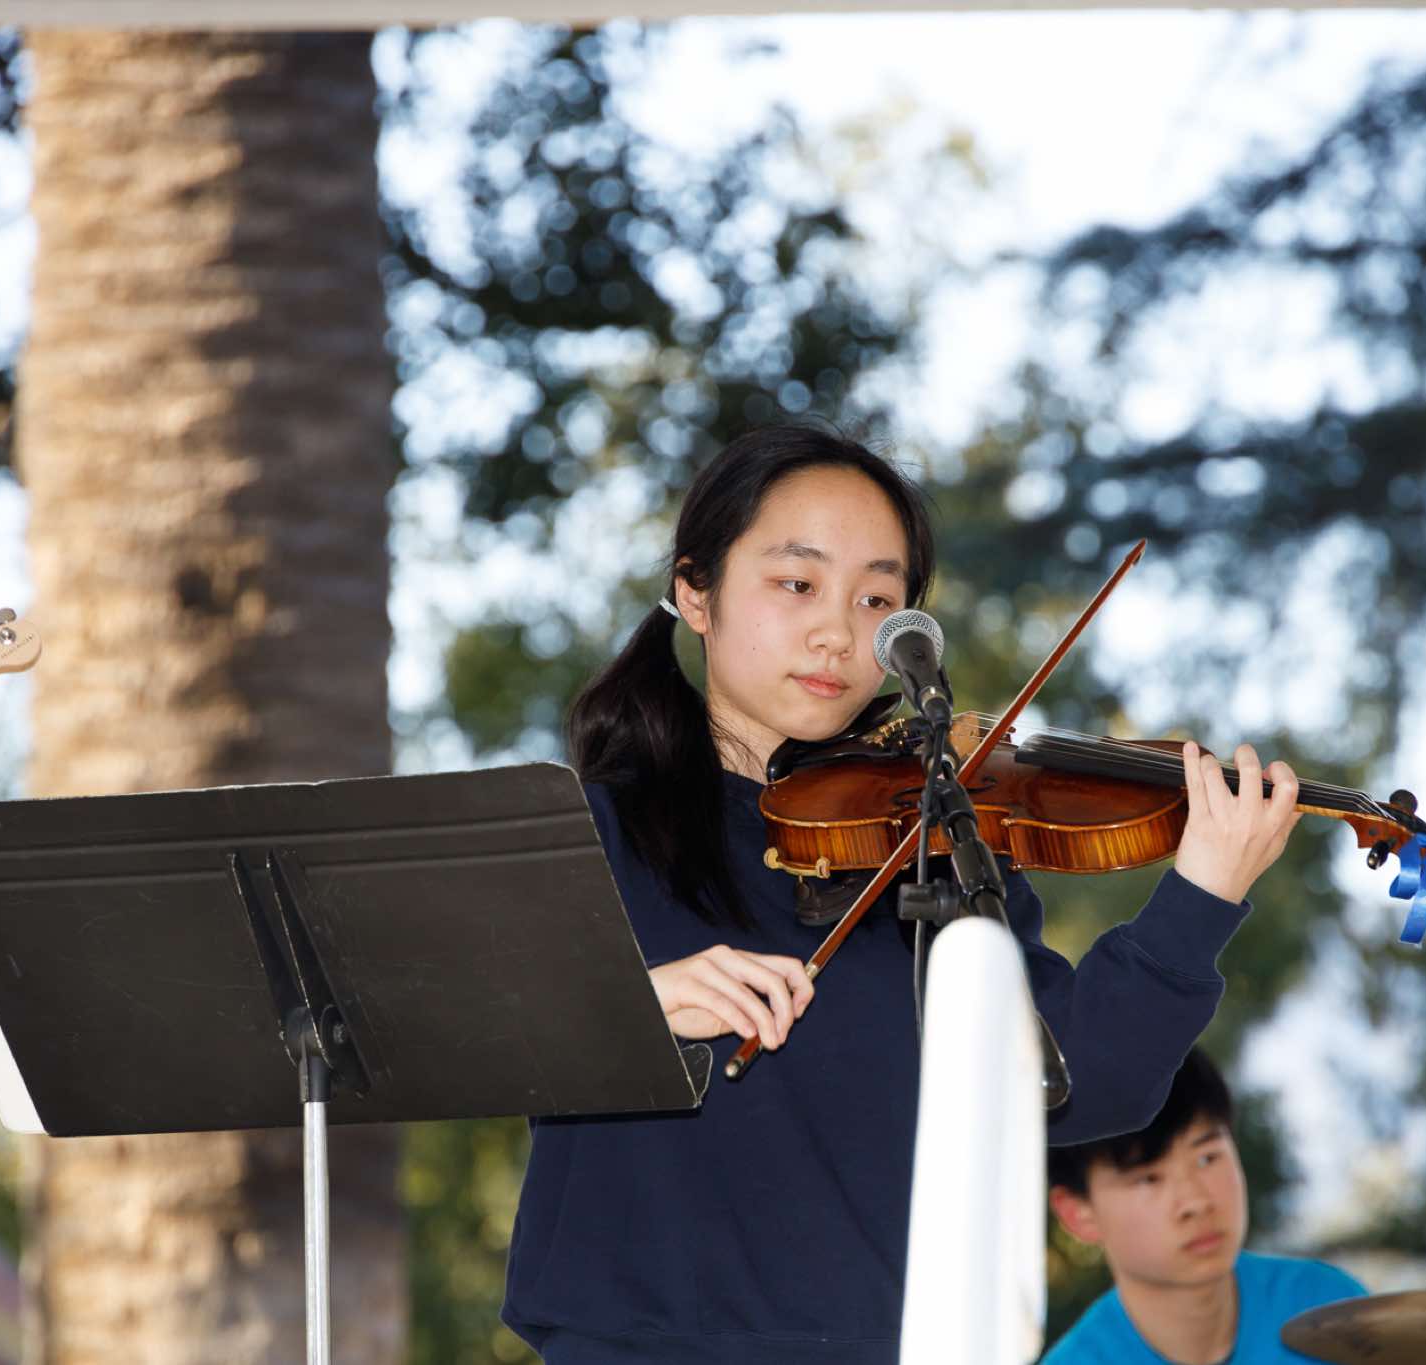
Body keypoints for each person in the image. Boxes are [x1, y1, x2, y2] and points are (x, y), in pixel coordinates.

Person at [501, 426, 1302, 1363]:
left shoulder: (940, 844)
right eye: (796, 583)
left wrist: (1203, 892)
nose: (838, 633)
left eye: (876, 599)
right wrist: (636, 1006)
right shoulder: (590, 832)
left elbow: (1077, 1086)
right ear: (695, 591)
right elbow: (441, 1038)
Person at [1042, 1048, 1365, 1365]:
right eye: (1149, 1179)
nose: (1196, 1202)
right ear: (1078, 1213)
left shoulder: (1330, 1310)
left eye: (1207, 1158)